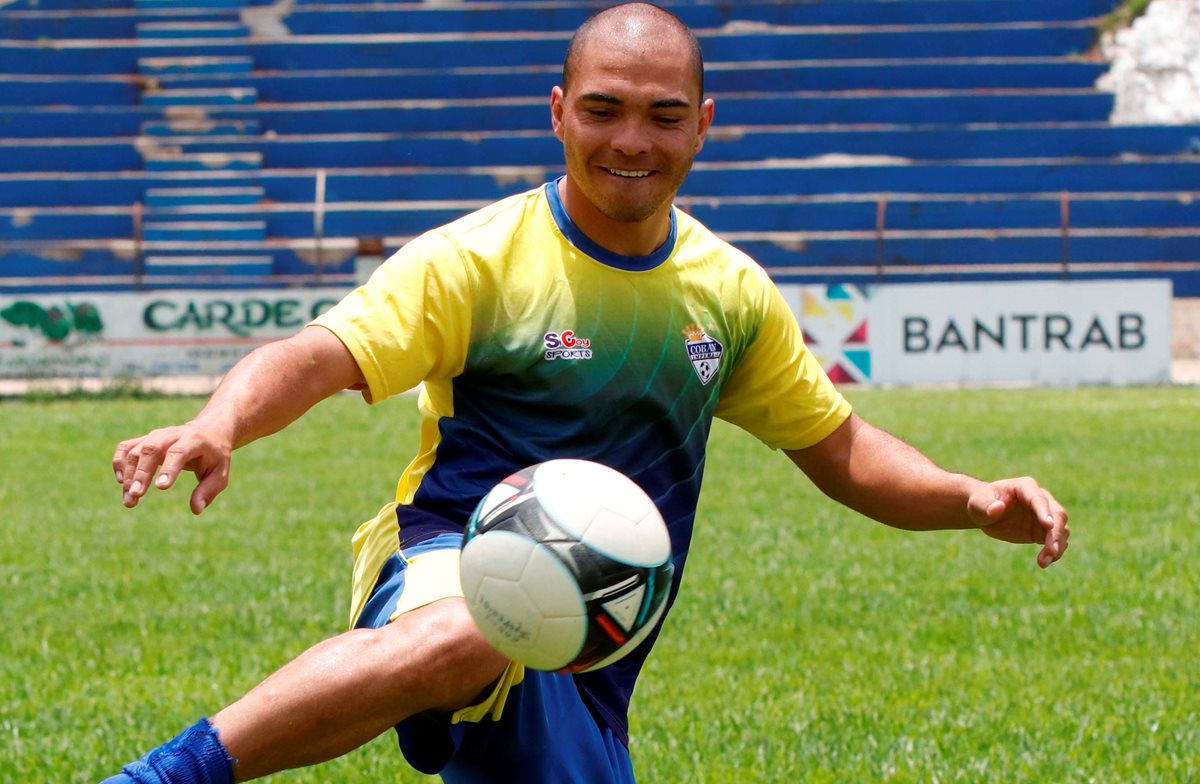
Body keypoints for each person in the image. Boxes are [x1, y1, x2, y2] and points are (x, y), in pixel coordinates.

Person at [102, 3, 1070, 783]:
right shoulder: (478, 258)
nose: (632, 140)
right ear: (559, 110)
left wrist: (971, 498)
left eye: (663, 113)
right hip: (451, 550)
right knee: (473, 630)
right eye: (604, 109)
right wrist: (219, 419)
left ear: (704, 122)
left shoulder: (729, 292)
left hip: (601, 643)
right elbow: (320, 354)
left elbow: (841, 447)